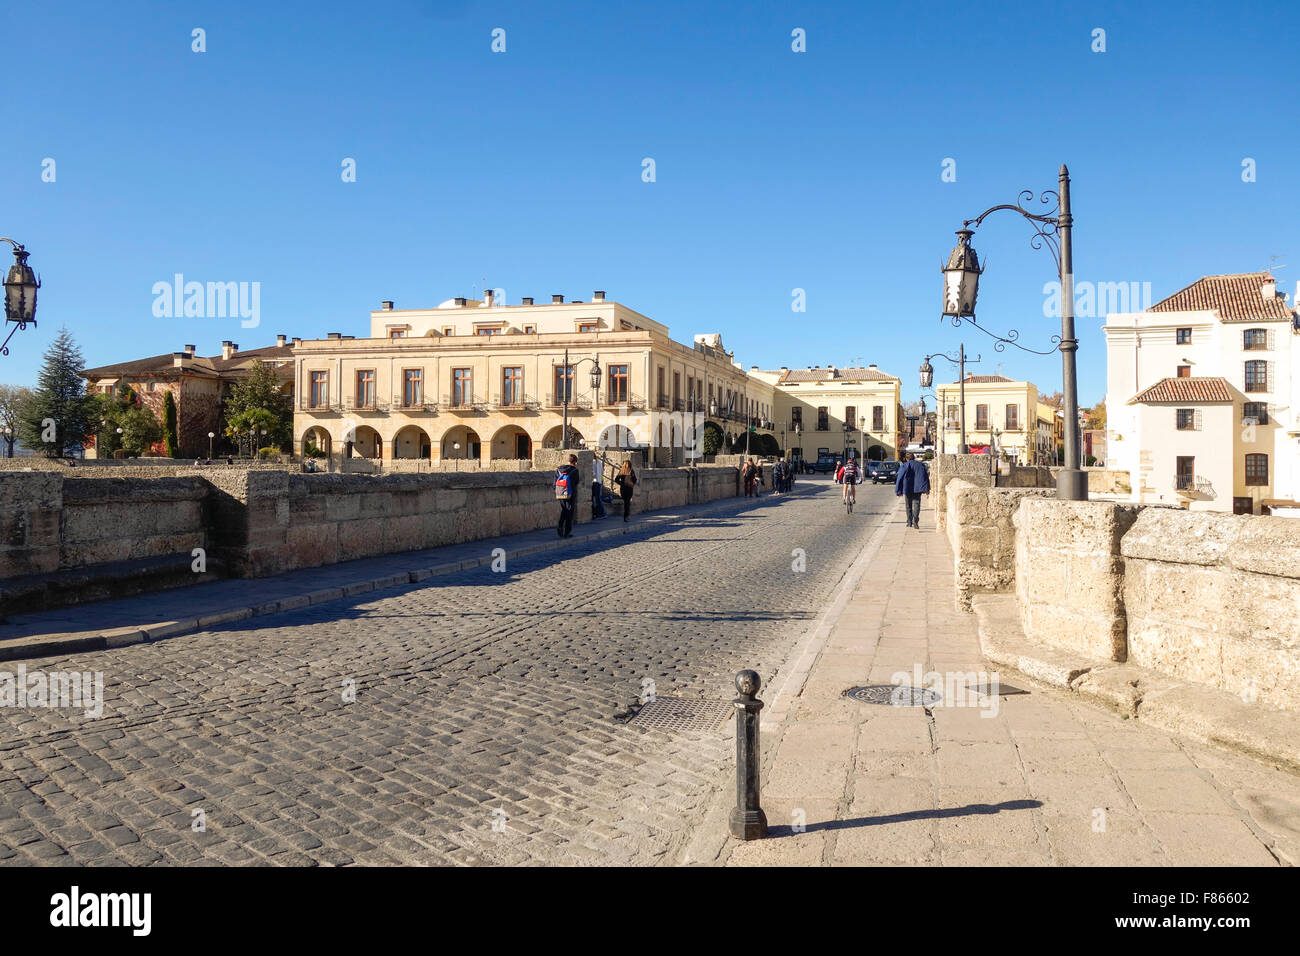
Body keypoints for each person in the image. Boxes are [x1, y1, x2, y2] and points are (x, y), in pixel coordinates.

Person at [895, 452, 931, 529]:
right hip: (918, 488)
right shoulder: (921, 465)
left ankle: (909, 521)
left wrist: (898, 491)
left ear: (907, 459)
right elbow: (925, 477)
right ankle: (915, 521)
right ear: (913, 457)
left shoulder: (905, 466)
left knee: (908, 505)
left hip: (907, 488)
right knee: (916, 504)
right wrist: (927, 488)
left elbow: (899, 478)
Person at [556, 453, 580, 537]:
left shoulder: (559, 469)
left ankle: (560, 526)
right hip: (570, 494)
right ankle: (567, 531)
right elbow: (576, 482)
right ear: (575, 462)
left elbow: (555, 481)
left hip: (560, 493)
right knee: (569, 511)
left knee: (564, 509)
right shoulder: (574, 470)